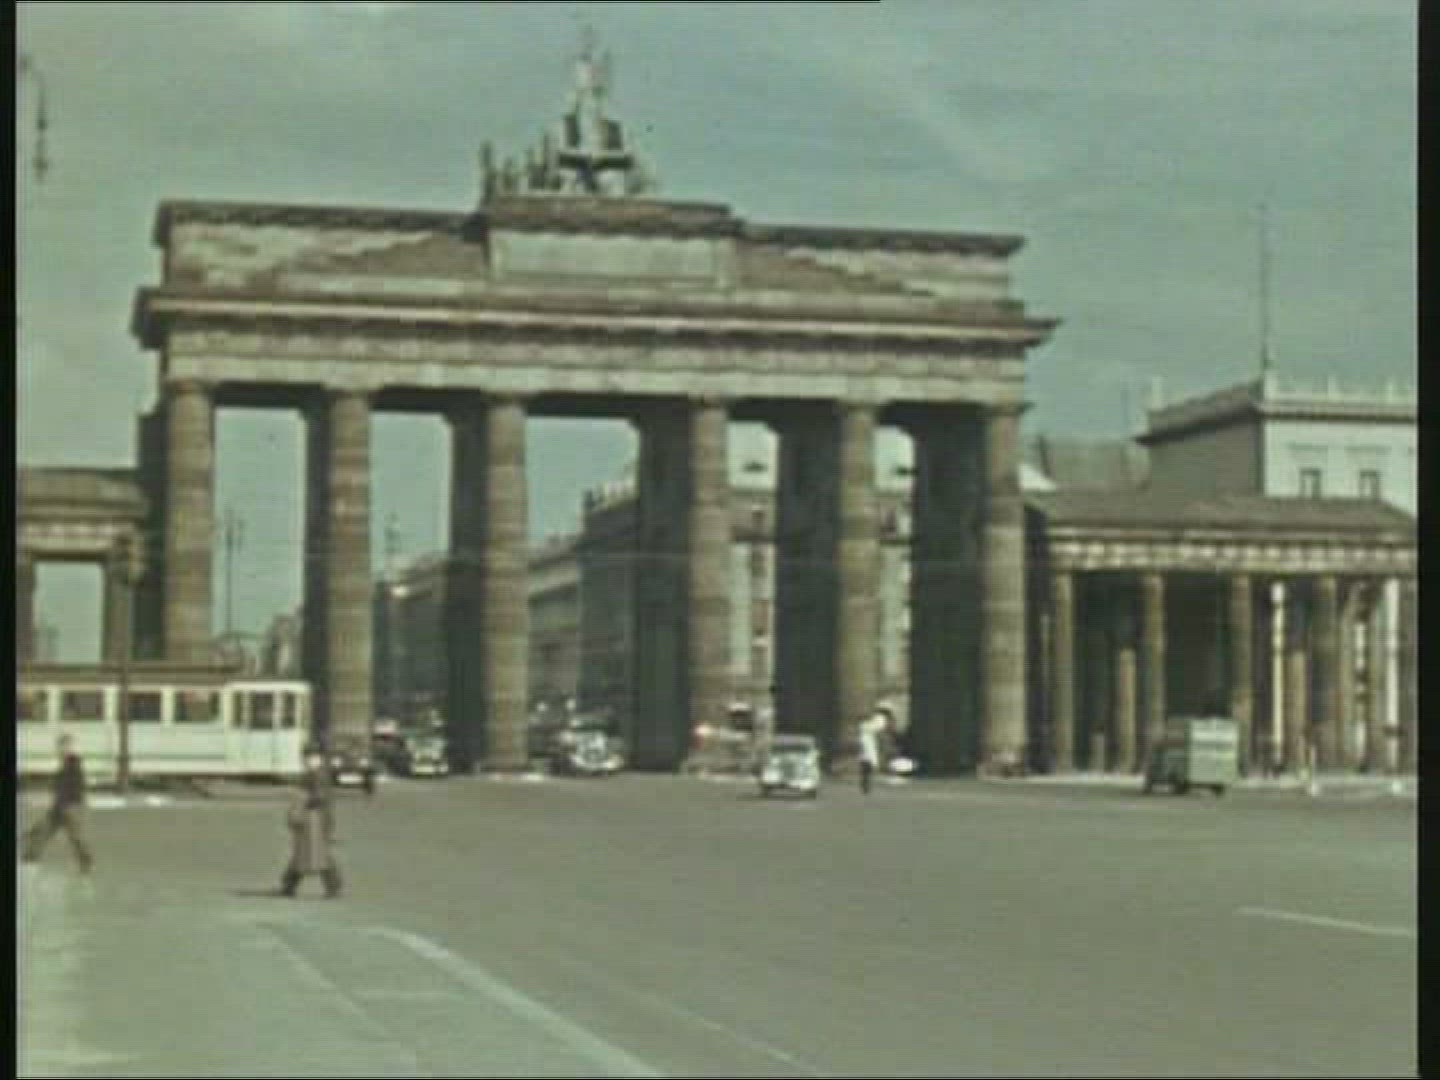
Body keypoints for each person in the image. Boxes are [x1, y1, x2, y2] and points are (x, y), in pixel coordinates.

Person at [22, 734, 93, 873]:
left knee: (76, 836)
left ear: (70, 747)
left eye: (64, 747)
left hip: (71, 806)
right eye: (60, 747)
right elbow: (61, 785)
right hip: (60, 806)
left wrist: (67, 802)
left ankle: (86, 861)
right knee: (44, 830)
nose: (60, 750)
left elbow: (75, 787)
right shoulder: (65, 764)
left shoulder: (73, 764)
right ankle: (30, 857)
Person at [280, 746, 342, 898]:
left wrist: (302, 802)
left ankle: (332, 886)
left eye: (311, 758)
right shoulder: (313, 773)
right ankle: (290, 885)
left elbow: (319, 797)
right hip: (314, 818)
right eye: (306, 758)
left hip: (317, 818)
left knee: (316, 853)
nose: (307, 761)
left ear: (318, 758)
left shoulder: (318, 774)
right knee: (309, 852)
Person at [858, 703, 893, 795]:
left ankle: (866, 784)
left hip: (871, 742)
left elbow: (878, 728)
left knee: (868, 763)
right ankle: (866, 784)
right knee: (867, 762)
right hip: (869, 741)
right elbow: (875, 728)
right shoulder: (879, 718)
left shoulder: (879, 719)